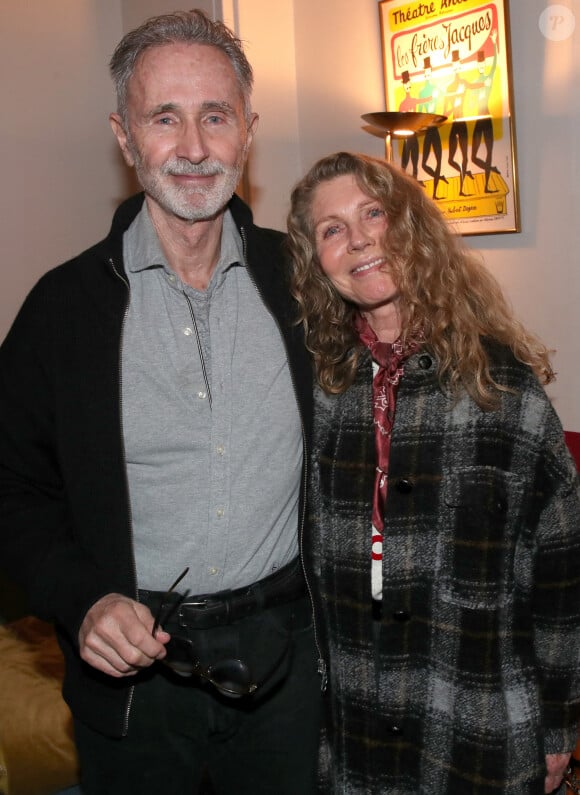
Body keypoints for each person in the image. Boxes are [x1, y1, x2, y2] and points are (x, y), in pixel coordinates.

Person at [0, 10, 322, 794]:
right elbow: (11, 491)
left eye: (215, 116)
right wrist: (80, 598)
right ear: (124, 136)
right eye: (164, 118)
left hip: (288, 671)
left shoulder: (307, 284)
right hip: (134, 685)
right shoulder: (60, 310)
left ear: (247, 131)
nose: (192, 147)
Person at [287, 150, 580, 794]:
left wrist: (560, 724)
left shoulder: (501, 388)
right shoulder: (316, 391)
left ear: (412, 226)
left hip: (478, 724)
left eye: (374, 212)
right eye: (331, 229)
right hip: (354, 730)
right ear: (316, 260)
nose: (358, 238)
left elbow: (560, 571)